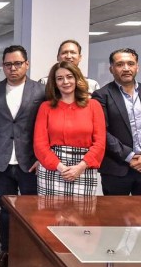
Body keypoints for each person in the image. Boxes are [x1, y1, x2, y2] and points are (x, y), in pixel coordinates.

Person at [0, 46, 46, 267]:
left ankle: (30, 252)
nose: (13, 68)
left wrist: (43, 158)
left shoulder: (41, 91)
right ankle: (6, 251)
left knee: (32, 210)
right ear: (3, 66)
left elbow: (47, 127)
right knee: (6, 209)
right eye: (8, 64)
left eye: (17, 63)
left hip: (31, 162)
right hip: (1, 162)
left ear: (27, 64)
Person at [92, 48, 141, 196]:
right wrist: (129, 156)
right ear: (111, 69)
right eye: (120, 64)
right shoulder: (101, 95)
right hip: (117, 169)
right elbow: (101, 132)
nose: (126, 68)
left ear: (137, 67)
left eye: (130, 63)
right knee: (115, 211)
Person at [34, 61, 106, 198]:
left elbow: (100, 143)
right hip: (53, 168)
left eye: (69, 77)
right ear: (54, 83)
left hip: (84, 168)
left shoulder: (94, 105)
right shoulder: (45, 107)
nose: (65, 82)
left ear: (77, 78)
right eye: (60, 78)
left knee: (82, 211)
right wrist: (60, 167)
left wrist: (80, 167)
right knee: (49, 211)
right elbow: (40, 144)